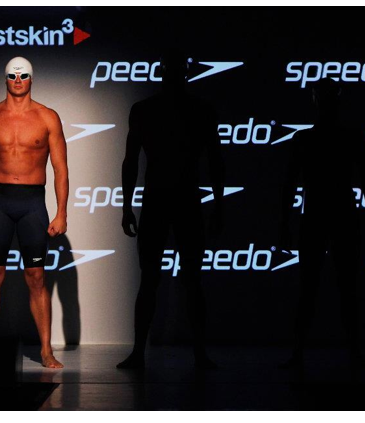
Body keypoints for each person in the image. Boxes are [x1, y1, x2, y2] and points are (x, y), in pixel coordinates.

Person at [118, 49, 224, 369]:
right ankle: (143, 351)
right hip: (167, 200)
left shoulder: (194, 110)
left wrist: (219, 205)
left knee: (186, 279)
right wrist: (126, 206)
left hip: (175, 200)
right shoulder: (151, 110)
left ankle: (194, 352)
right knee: (157, 278)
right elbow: (130, 160)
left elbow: (215, 160)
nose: (175, 75)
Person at [0, 57, 68, 369]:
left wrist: (61, 212)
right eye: (12, 75)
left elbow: (60, 168)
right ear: (5, 79)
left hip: (33, 202)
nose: (18, 80)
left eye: (23, 75)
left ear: (32, 79)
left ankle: (45, 350)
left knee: (36, 277)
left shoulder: (47, 117)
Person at [279, 78, 365, 369]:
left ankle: (304, 352)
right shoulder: (346, 138)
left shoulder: (307, 139)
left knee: (318, 287)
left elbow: (290, 184)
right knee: (336, 287)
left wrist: (284, 222)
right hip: (337, 215)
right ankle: (344, 352)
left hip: (321, 215)